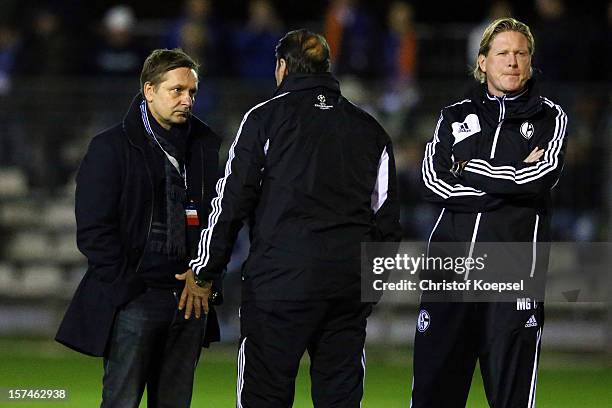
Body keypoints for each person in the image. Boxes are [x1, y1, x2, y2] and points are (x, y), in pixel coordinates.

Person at [185, 29, 401, 407]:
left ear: (282, 67)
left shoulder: (265, 120)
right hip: (345, 290)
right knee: (340, 399)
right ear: (326, 68)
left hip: (278, 286)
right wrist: (368, 286)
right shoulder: (371, 131)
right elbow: (388, 223)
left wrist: (204, 271)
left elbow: (231, 202)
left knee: (263, 397)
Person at [55, 48, 222, 408]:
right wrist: (127, 290)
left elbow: (217, 218)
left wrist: (206, 279)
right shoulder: (110, 147)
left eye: (191, 92)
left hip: (190, 297)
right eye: (176, 90)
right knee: (121, 402)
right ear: (149, 90)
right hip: (136, 297)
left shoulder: (205, 146)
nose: (187, 100)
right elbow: (94, 230)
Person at [414, 18, 568, 407]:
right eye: (503, 53)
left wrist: (468, 168)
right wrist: (508, 184)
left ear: (531, 61)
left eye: (521, 53)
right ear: (482, 62)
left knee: (511, 397)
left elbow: (539, 177)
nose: (512, 62)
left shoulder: (551, 117)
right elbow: (433, 181)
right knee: (434, 395)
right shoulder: (453, 115)